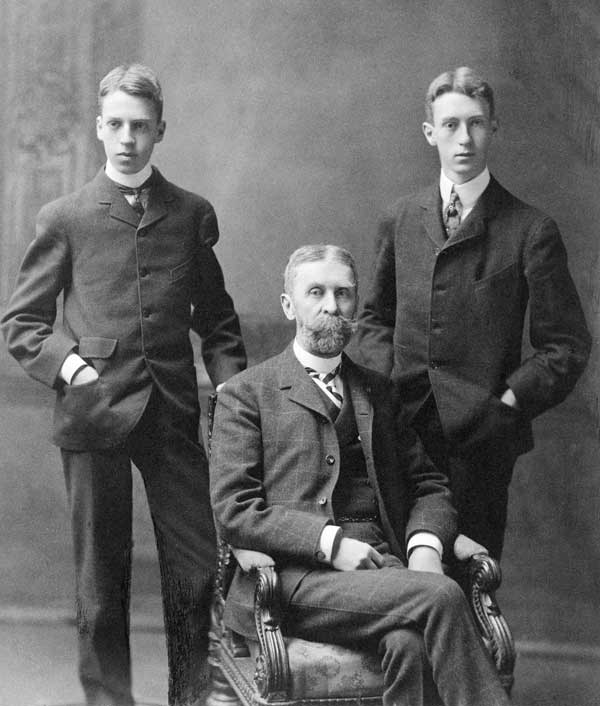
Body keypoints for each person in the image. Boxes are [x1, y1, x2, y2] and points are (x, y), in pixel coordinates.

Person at [1, 63, 246, 706]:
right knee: (100, 585)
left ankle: (192, 697)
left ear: (160, 130)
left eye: (141, 126)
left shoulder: (192, 214)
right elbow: (22, 321)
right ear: (99, 127)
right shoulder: (66, 217)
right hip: (93, 408)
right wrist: (70, 365)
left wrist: (231, 393)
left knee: (198, 573)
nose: (128, 138)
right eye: (116, 125)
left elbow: (218, 322)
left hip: (170, 409)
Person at [209, 244, 512, 706]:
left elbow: (428, 484)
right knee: (443, 597)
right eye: (316, 292)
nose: (332, 307)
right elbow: (235, 511)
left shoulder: (379, 392)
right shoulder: (248, 394)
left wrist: (426, 547)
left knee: (408, 645)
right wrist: (330, 544)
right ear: (289, 305)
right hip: (294, 582)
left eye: (343, 294)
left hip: (385, 574)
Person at [356, 66, 591, 561]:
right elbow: (375, 318)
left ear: (494, 128)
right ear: (429, 133)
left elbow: (566, 345)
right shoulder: (399, 219)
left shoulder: (530, 229)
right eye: (450, 125)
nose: (464, 138)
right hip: (401, 434)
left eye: (477, 123)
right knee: (397, 576)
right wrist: (384, 393)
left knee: (469, 588)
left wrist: (507, 402)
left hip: (479, 443)